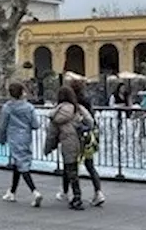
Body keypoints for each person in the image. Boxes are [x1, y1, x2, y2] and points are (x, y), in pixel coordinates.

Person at [45, 85, 94, 210]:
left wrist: (48, 148)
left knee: (71, 170)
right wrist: (81, 125)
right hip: (79, 141)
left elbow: (52, 133)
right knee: (72, 168)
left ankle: (77, 198)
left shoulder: (56, 113)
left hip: (66, 142)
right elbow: (90, 121)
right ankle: (73, 196)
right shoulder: (78, 108)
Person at [0, 82, 42, 206]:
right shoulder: (29, 107)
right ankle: (12, 191)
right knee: (19, 163)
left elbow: (2, 125)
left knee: (22, 165)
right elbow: (36, 125)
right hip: (26, 137)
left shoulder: (7, 107)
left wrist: (1, 139)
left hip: (14, 138)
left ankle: (35, 191)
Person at [67, 78, 106, 206]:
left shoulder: (72, 104)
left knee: (71, 165)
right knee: (90, 165)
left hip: (76, 136)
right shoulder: (87, 100)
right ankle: (98, 192)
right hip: (89, 136)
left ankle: (68, 192)